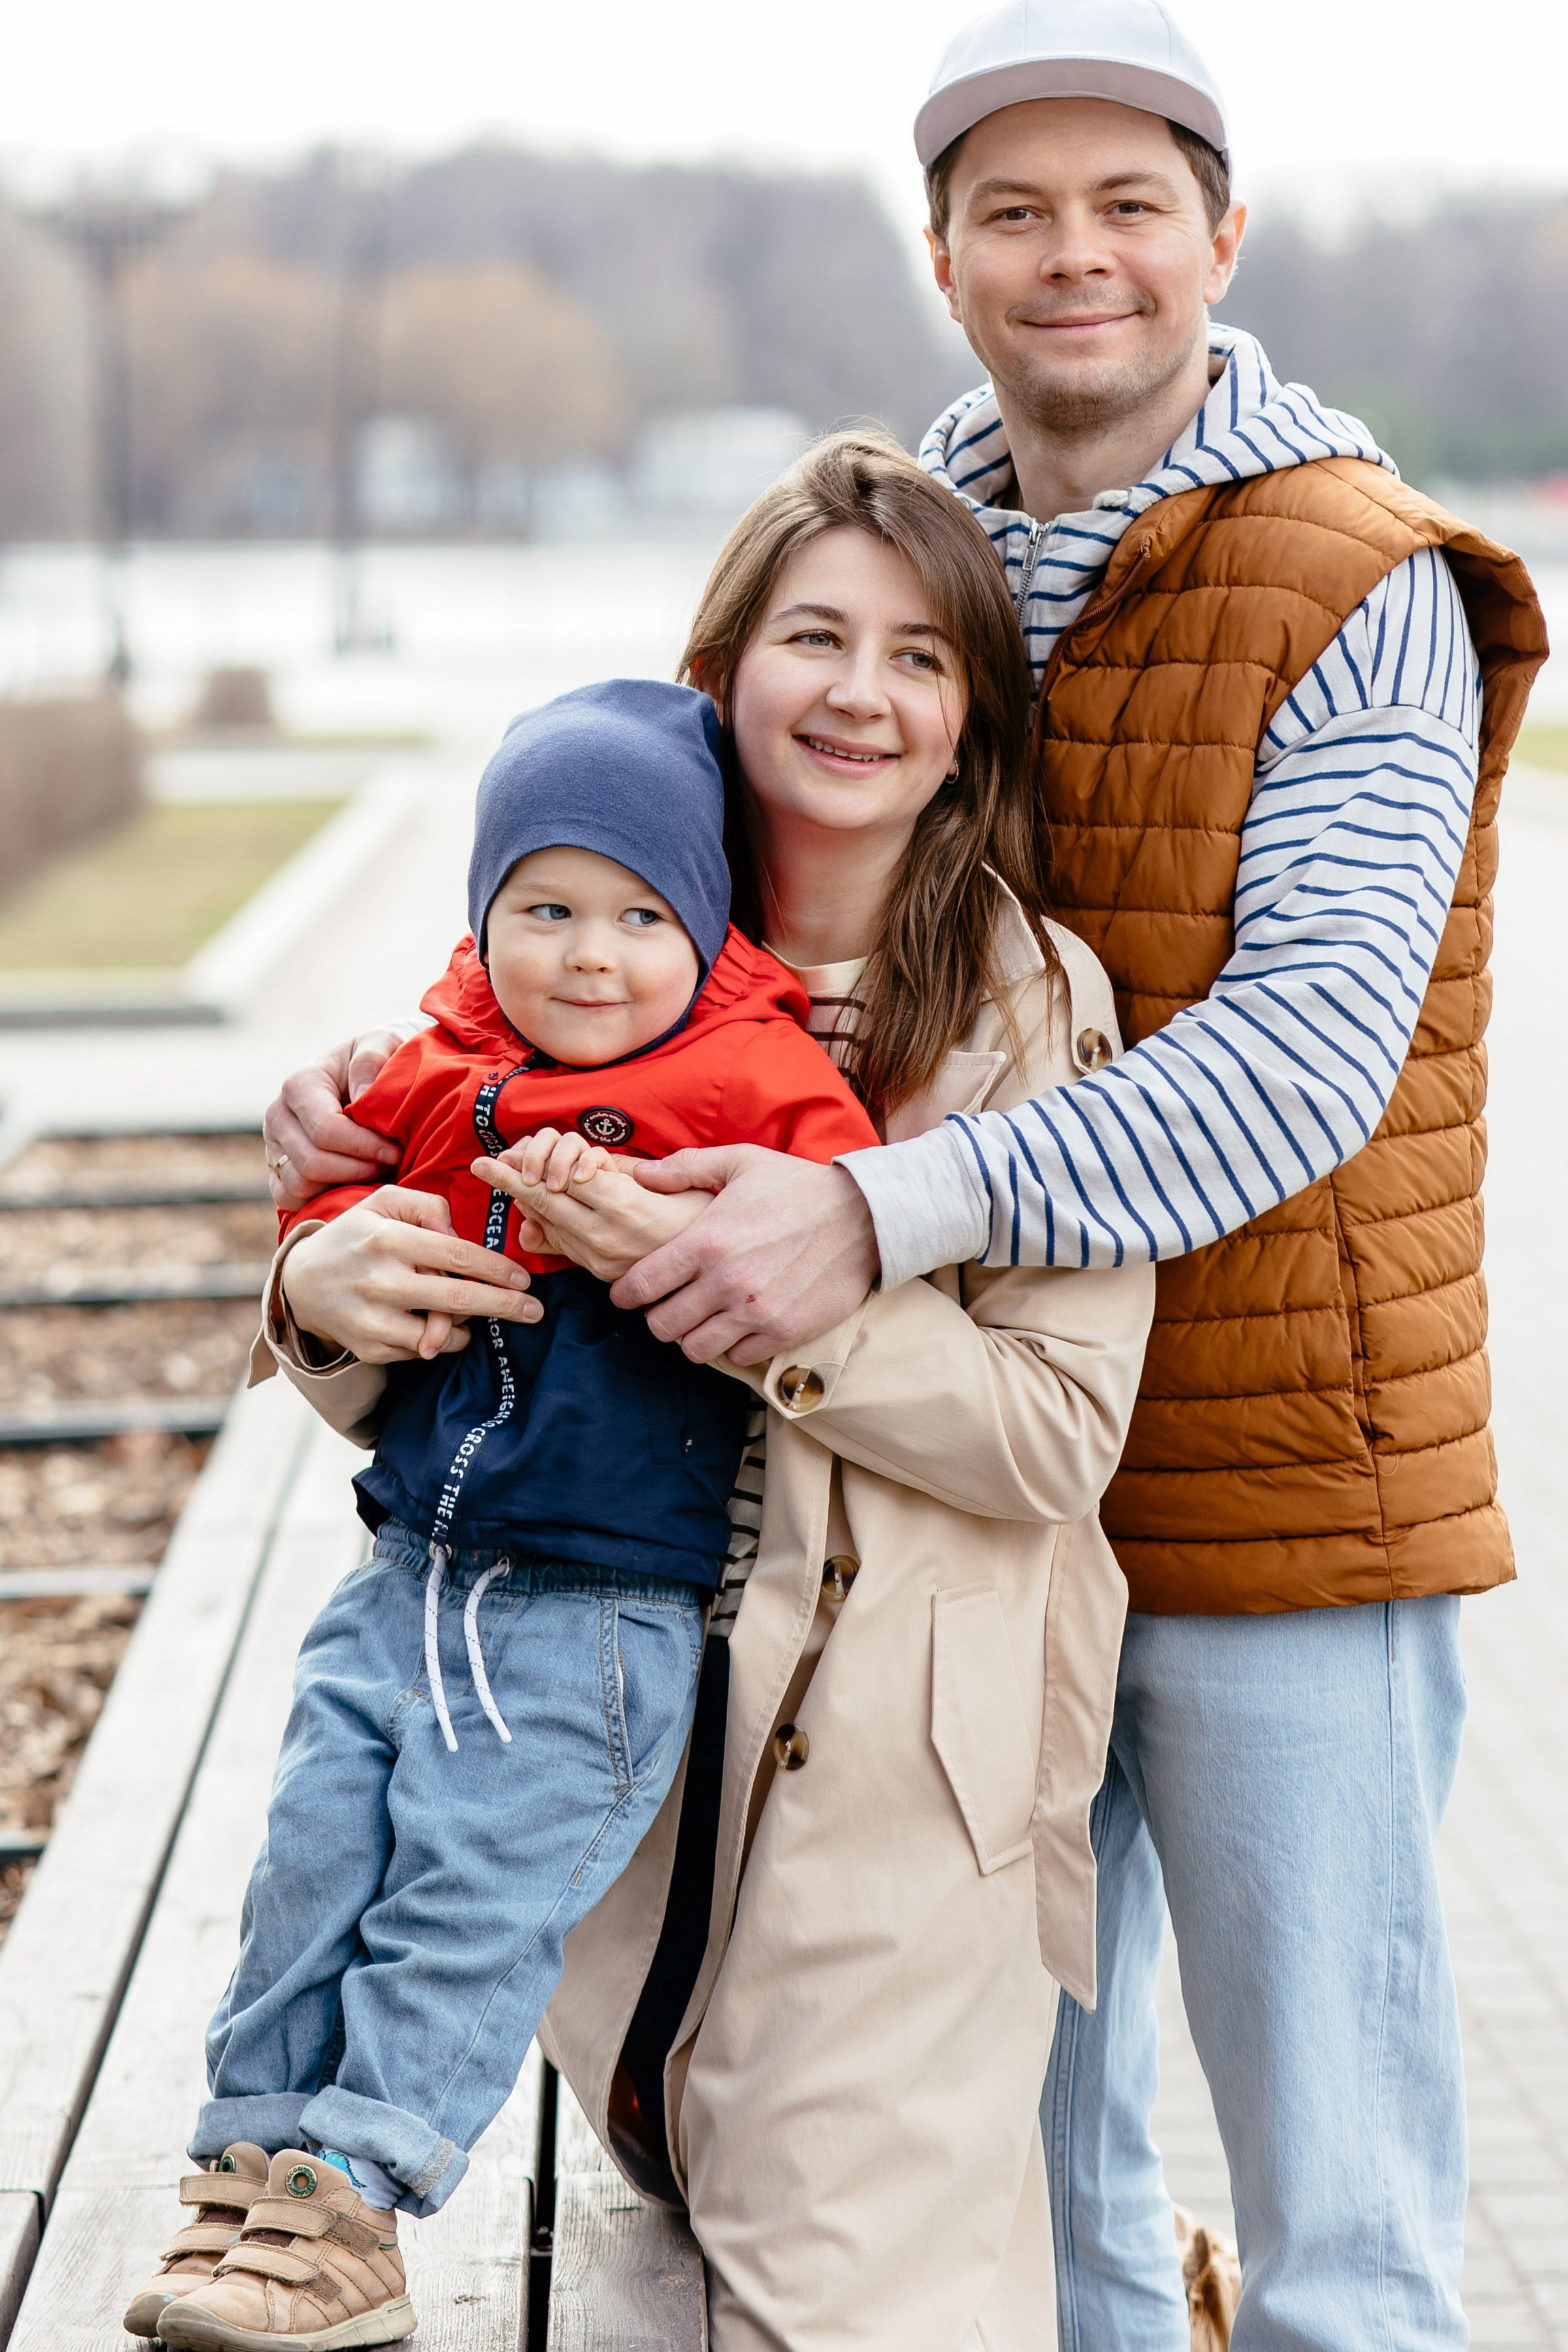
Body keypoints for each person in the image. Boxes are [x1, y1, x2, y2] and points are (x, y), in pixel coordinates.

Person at [266, 6, 1549, 2345]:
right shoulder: (906, 557)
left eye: (1130, 204)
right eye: (1015, 212)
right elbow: (636, 946)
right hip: (944, 1562)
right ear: (943, 257)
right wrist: (371, 1133)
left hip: (1275, 1495)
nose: (1077, 258)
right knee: (1020, 2218)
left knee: (1344, 2224)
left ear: (1225, 237)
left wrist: (862, 1221)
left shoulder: (1368, 579)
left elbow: (1302, 1063)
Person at [252, 434, 1154, 2349]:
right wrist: (317, 1287)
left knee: (840, 2311)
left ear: (973, 716)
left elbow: (1056, 1436)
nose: (861, 690)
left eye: (922, 656)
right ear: (722, 668)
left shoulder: (1032, 1006)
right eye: (814, 635)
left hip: (886, 1804)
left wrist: (777, 1296)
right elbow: (452, 1376)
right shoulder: (580, 940)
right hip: (598, 1786)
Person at [126, 679, 880, 2352]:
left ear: (706, 926)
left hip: (591, 1607)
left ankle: (361, 2198)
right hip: (402, 1569)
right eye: (543, 909)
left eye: (638, 916)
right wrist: (316, 1206)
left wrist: (664, 1225)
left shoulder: (746, 1077)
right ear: (485, 921)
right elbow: (327, 1173)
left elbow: (841, 1222)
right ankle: (250, 2172)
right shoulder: (443, 1057)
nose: (590, 957)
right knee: (310, 1858)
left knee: (465, 1898)